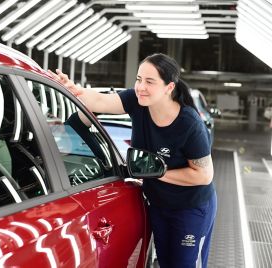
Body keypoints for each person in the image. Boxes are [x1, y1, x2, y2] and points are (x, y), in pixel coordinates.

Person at [49, 53, 217, 268]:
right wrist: (75, 91)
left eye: (149, 82)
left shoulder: (189, 124)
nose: (140, 87)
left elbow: (203, 175)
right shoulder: (136, 102)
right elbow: (100, 101)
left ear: (169, 87)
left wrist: (156, 172)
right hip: (158, 203)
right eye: (138, 79)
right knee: (166, 263)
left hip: (191, 207)